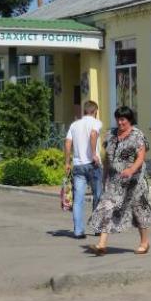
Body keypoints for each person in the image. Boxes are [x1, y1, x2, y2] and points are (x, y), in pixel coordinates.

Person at [88, 106, 151, 255]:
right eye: (118, 119)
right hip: (114, 181)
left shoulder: (137, 135)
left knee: (139, 210)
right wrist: (104, 176)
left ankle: (144, 243)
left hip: (134, 181)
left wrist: (131, 170)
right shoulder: (110, 135)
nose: (120, 122)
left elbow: (141, 157)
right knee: (107, 207)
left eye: (123, 119)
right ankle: (101, 245)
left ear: (129, 120)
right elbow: (107, 158)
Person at [64, 100, 103, 239]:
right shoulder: (96, 123)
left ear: (84, 111)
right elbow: (93, 135)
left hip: (78, 165)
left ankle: (78, 231)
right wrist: (94, 154)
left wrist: (67, 162)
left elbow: (68, 143)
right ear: (95, 111)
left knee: (78, 199)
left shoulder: (74, 125)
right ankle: (97, 228)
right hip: (93, 164)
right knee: (98, 196)